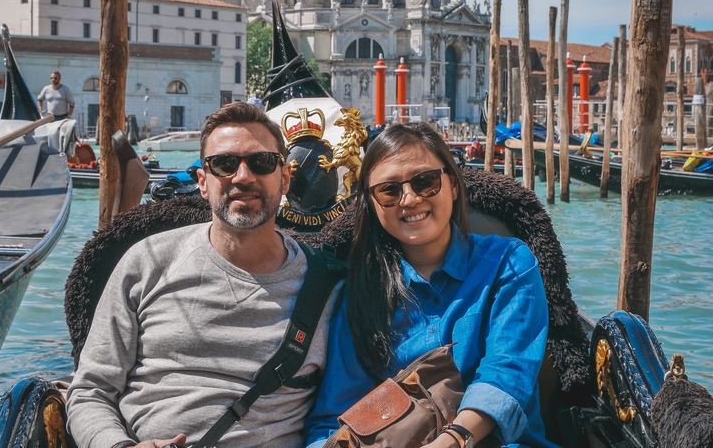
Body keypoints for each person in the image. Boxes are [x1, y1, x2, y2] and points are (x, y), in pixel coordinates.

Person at [67, 103, 341, 448]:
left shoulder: (329, 286)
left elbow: (339, 410)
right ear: (203, 182)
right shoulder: (148, 260)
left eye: (262, 162)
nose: (243, 177)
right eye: (225, 164)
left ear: (284, 178)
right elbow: (90, 390)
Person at [305, 123, 556, 448]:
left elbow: (507, 374)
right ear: (372, 203)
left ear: (452, 184)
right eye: (389, 191)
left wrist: (452, 440)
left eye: (425, 182)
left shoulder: (508, 263)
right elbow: (335, 413)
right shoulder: (360, 292)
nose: (409, 199)